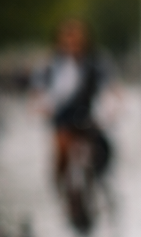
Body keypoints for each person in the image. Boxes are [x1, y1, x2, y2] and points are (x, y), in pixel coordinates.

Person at [34, 19, 112, 212]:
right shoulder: (51, 65)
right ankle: (60, 188)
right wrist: (40, 106)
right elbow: (38, 92)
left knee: (98, 151)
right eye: (68, 39)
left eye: (77, 38)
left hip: (88, 117)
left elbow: (111, 89)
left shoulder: (97, 63)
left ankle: (97, 187)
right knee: (62, 147)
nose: (73, 43)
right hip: (63, 119)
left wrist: (112, 108)